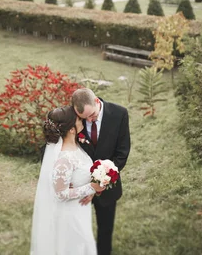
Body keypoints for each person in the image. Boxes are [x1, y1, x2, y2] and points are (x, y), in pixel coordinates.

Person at [30, 106, 105, 255]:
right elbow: (61, 194)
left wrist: (92, 189)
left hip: (81, 210)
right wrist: (92, 187)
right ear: (71, 129)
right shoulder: (64, 159)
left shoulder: (77, 145)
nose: (81, 119)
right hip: (69, 216)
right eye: (78, 119)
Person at [72, 88, 131, 255]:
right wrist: (86, 186)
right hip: (79, 186)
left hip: (107, 184)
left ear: (97, 102)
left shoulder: (120, 114)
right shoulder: (75, 116)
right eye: (85, 118)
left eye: (92, 115)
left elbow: (122, 153)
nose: (89, 120)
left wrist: (100, 183)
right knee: (77, 229)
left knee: (105, 230)